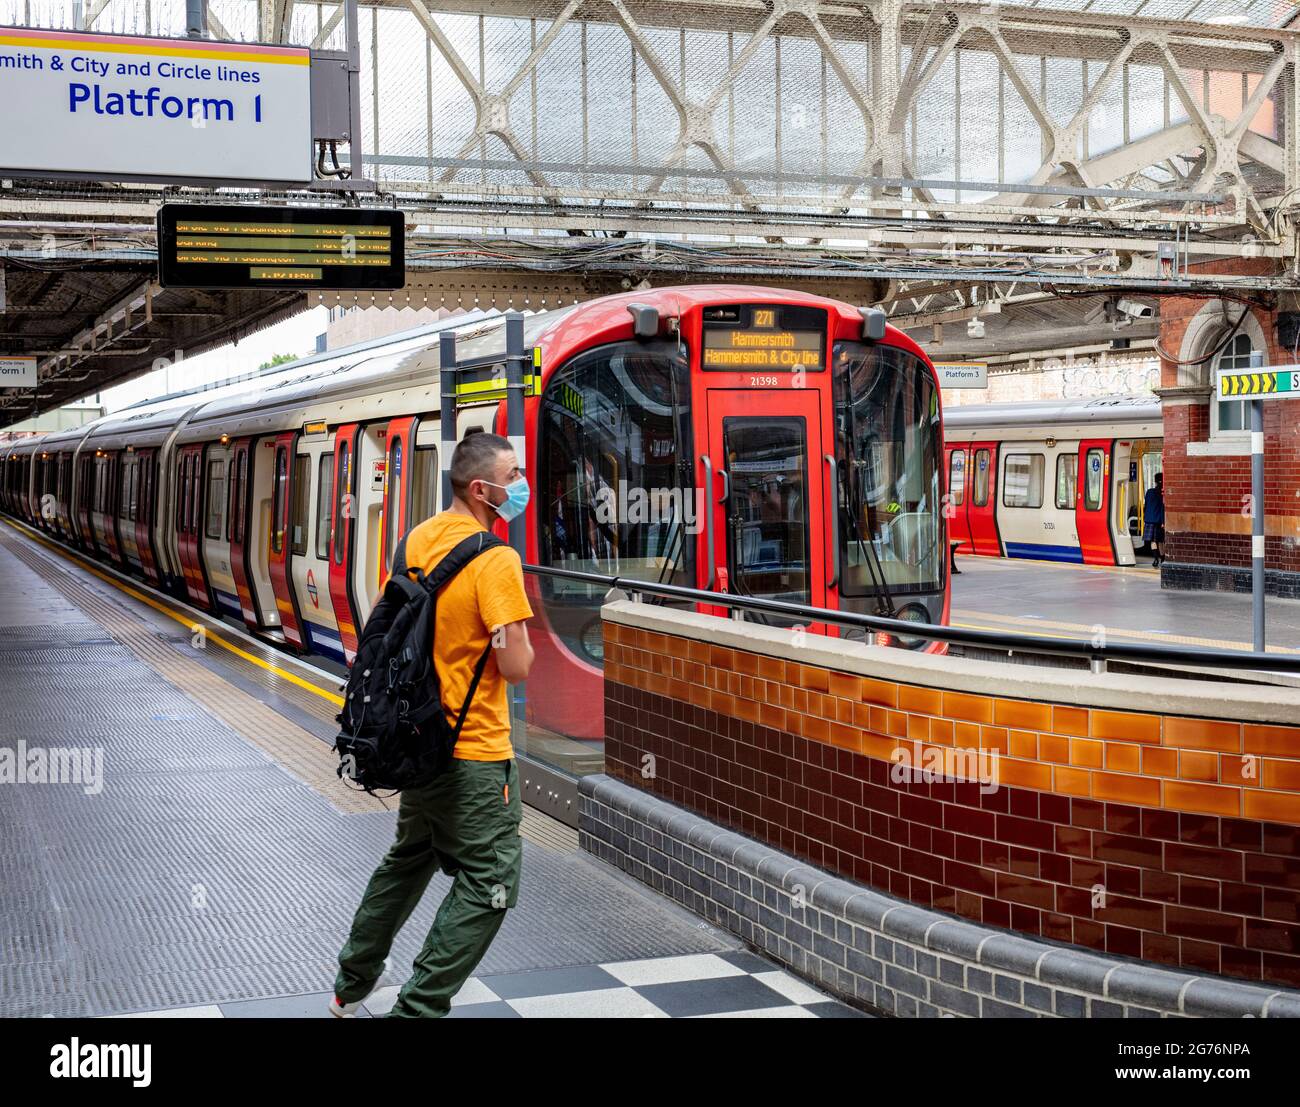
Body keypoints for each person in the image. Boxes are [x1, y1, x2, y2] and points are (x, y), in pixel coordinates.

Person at [331, 432, 535, 1018]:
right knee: (489, 883)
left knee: (409, 858)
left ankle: (351, 981)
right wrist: (512, 636)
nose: (518, 485)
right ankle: (417, 1010)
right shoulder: (496, 559)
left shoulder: (417, 538)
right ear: (482, 488)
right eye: (512, 475)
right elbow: (515, 667)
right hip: (474, 754)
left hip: (416, 738)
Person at [1143, 472, 1165, 568]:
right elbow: (1162, 508)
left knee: (1153, 541)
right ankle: (1163, 559)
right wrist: (1163, 522)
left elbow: (1146, 506)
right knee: (1160, 541)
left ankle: (1155, 559)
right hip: (1158, 520)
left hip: (1149, 520)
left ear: (1155, 481)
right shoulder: (1162, 494)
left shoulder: (1149, 492)